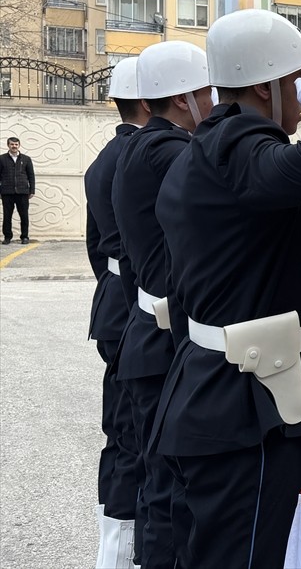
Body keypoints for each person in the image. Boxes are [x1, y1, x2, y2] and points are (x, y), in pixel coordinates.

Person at [150, 9, 301, 569]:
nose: (300, 101)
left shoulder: (205, 148)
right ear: (265, 84)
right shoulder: (238, 143)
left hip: (207, 387)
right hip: (242, 402)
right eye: (297, 83)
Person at [112, 40, 213, 569]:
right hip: (161, 342)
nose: (216, 104)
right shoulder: (167, 151)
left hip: (148, 337)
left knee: (161, 480)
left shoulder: (141, 146)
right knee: (171, 487)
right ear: (181, 100)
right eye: (208, 93)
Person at [82, 57, 147, 569]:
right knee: (135, 435)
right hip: (139, 311)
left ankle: (115, 543)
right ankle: (123, 550)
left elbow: (93, 248)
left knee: (120, 430)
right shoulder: (146, 157)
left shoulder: (104, 158)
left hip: (112, 305)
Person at [1, 136, 35, 244]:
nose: (14, 146)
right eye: (12, 144)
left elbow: (31, 175)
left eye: (16, 144)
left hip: (22, 192)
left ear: (19, 145)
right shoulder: (1, 159)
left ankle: (24, 236)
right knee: (7, 216)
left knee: (24, 215)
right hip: (7, 192)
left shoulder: (26, 159)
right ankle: (7, 237)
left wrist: (32, 190)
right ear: (8, 145)